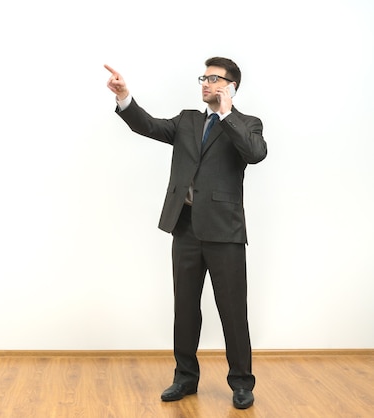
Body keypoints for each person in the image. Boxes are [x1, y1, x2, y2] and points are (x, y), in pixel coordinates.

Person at [105, 57, 267, 410]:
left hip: (225, 232)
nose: (205, 83)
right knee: (186, 309)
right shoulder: (188, 121)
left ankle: (241, 383)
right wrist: (125, 97)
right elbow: (147, 125)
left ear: (231, 86)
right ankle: (185, 378)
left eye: (214, 78)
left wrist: (227, 114)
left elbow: (255, 154)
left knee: (233, 311)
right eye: (203, 77)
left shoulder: (246, 123)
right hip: (186, 228)